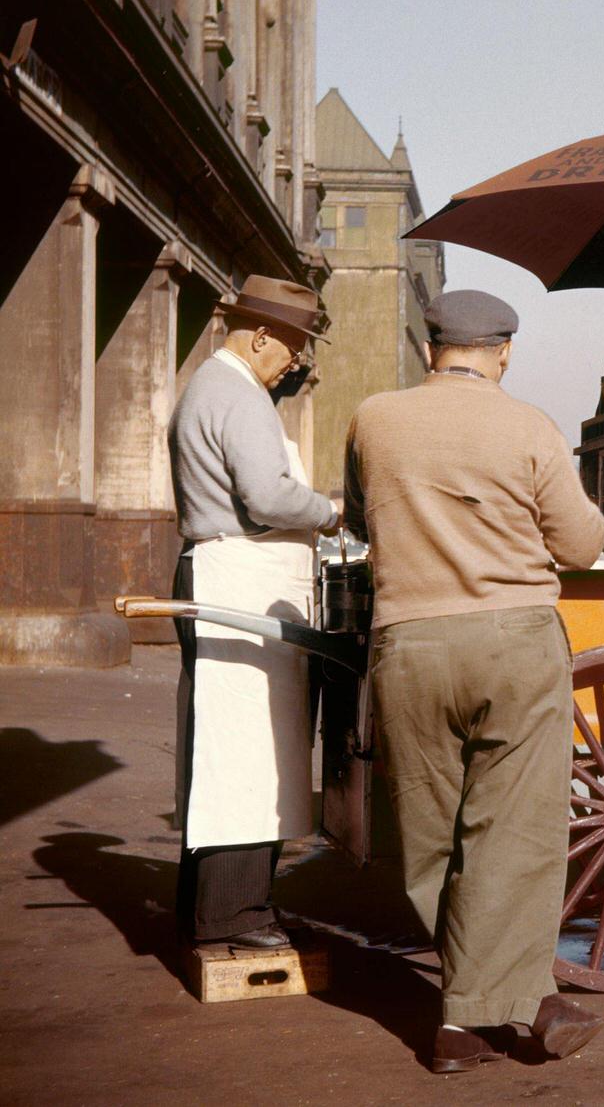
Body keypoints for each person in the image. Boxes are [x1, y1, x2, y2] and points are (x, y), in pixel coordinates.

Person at [344, 289, 604, 1074]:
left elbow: (361, 519)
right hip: (514, 644)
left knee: (431, 840)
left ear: (431, 349)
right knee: (515, 836)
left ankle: (470, 1022)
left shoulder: (373, 418)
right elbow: (581, 545)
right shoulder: (530, 425)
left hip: (409, 643)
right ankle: (509, 1008)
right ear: (503, 352)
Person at [168, 275, 339, 950]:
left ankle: (213, 911)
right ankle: (235, 919)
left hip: (226, 575)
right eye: (294, 344)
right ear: (260, 334)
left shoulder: (217, 385)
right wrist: (328, 510)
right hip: (236, 580)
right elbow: (267, 497)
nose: (296, 359)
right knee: (245, 756)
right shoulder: (236, 393)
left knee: (225, 752)